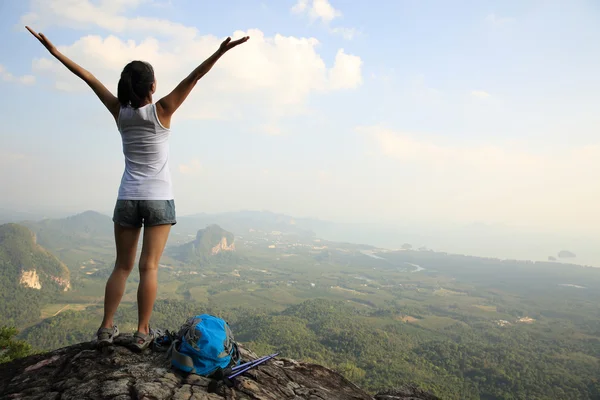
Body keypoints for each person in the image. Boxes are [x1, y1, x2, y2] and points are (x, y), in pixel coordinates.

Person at [26, 26, 249, 351]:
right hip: (159, 198)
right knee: (150, 267)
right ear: (152, 86)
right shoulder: (162, 110)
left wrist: (55, 51)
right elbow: (195, 76)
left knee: (122, 266)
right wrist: (220, 51)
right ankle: (143, 331)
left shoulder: (120, 113)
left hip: (128, 197)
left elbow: (88, 77)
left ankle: (106, 328)